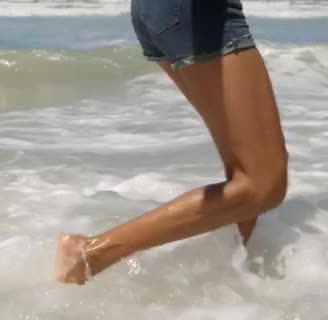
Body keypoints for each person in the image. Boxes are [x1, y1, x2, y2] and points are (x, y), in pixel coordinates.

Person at [56, 0, 289, 285]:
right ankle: (90, 254)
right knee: (262, 186)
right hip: (198, 14)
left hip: (163, 11)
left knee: (246, 173)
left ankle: (227, 286)